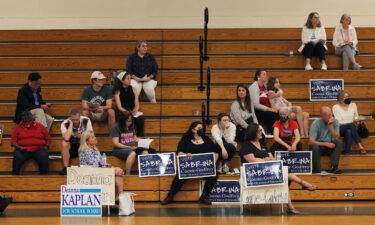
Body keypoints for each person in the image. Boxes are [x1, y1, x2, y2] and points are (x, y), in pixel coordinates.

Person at [239, 123, 317, 215]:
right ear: (253, 132)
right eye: (259, 131)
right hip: (254, 175)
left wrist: (265, 160)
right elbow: (252, 161)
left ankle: (291, 205)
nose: (261, 132)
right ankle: (302, 185)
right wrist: (265, 160)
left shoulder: (262, 144)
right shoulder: (246, 145)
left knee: (283, 175)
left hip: (268, 172)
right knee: (284, 174)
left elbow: (272, 158)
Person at [161, 121, 219, 205]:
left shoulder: (207, 139)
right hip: (190, 168)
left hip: (204, 168)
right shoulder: (185, 139)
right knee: (179, 177)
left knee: (214, 175)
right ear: (193, 130)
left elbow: (216, 152)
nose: (201, 130)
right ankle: (170, 196)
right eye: (199, 128)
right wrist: (185, 154)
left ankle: (204, 196)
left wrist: (213, 163)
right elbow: (179, 152)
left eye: (202, 128)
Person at [79, 130, 124, 198]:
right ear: (87, 141)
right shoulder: (85, 151)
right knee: (117, 173)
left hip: (98, 173)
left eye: (94, 136)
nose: (95, 138)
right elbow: (95, 167)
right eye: (92, 137)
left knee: (118, 175)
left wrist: (113, 168)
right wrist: (113, 170)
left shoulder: (95, 150)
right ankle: (121, 199)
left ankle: (118, 199)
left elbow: (103, 163)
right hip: (89, 176)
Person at [10, 111, 50, 175]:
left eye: (29, 121)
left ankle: (43, 176)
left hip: (38, 149)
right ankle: (15, 176)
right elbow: (13, 141)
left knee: (44, 156)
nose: (27, 123)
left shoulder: (40, 126)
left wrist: (46, 146)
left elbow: (48, 138)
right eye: (25, 121)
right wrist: (19, 147)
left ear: (32, 119)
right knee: (17, 156)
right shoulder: (18, 127)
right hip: (23, 149)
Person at [59, 108, 93, 175]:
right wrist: (71, 124)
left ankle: (89, 166)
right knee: (64, 143)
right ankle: (65, 168)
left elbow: (92, 135)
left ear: (79, 116)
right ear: (69, 118)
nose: (75, 121)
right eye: (73, 120)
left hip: (83, 145)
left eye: (77, 119)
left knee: (90, 140)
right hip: (72, 147)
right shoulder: (65, 123)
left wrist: (82, 136)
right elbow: (66, 138)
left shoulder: (86, 120)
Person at [309, 106, 343, 174]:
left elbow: (336, 137)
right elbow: (311, 141)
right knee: (314, 147)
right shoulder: (316, 123)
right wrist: (326, 144)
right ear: (322, 116)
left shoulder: (335, 122)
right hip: (319, 146)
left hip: (330, 146)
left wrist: (330, 125)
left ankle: (334, 167)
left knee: (338, 142)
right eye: (328, 115)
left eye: (331, 114)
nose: (331, 117)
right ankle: (317, 171)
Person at [333, 90, 366, 154]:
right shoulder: (335, 107)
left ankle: (347, 151)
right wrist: (352, 121)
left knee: (349, 131)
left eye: (347, 96)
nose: (346, 98)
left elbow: (356, 116)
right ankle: (360, 146)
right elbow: (339, 121)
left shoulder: (353, 105)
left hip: (351, 127)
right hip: (340, 128)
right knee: (350, 125)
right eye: (344, 97)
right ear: (340, 99)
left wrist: (356, 120)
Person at [113, 71, 144, 136]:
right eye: (128, 78)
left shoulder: (133, 89)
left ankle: (139, 137)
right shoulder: (117, 91)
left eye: (130, 78)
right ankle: (125, 136)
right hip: (122, 111)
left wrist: (135, 111)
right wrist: (127, 112)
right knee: (125, 117)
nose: (130, 80)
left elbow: (137, 103)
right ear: (122, 81)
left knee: (140, 118)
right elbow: (119, 106)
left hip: (131, 110)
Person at [249, 70, 279, 134]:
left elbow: (278, 90)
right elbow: (255, 105)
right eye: (264, 74)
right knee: (274, 115)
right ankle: (271, 134)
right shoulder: (253, 87)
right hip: (257, 112)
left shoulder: (265, 86)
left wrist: (275, 95)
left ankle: (276, 134)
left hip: (267, 110)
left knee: (279, 113)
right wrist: (270, 109)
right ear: (258, 77)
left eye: (266, 74)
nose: (266, 76)